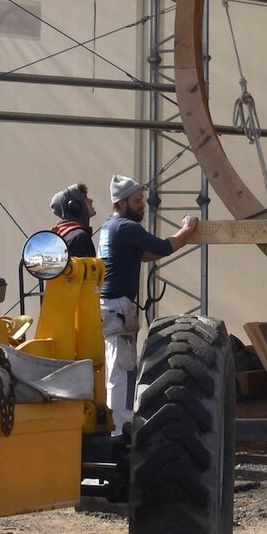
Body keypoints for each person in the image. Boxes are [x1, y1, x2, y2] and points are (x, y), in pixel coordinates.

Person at [95, 174, 199, 430]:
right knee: (122, 369)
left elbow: (142, 256)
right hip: (119, 306)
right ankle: (121, 426)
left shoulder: (109, 227)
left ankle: (119, 421)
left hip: (109, 305)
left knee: (117, 366)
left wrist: (179, 240)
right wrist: (187, 230)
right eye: (137, 201)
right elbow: (163, 248)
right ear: (121, 203)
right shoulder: (127, 228)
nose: (143, 205)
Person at [48, 183, 96, 258]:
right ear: (74, 206)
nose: (91, 200)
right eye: (85, 198)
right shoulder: (79, 237)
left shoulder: (60, 235)